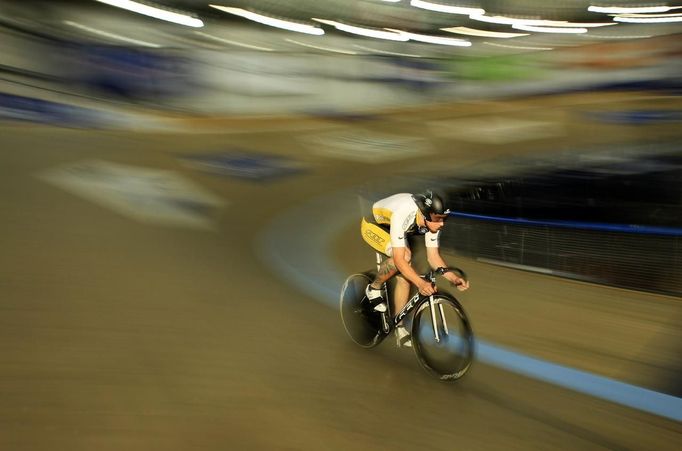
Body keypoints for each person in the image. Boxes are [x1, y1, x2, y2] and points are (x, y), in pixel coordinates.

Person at [360, 190, 470, 347]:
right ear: (425, 214)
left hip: (396, 229)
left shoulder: (431, 222)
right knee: (405, 258)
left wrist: (453, 278)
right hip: (373, 225)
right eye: (438, 219)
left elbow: (433, 257)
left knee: (406, 279)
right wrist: (421, 284)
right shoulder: (403, 213)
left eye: (444, 219)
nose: (442, 224)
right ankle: (373, 288)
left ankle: (398, 327)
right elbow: (399, 260)